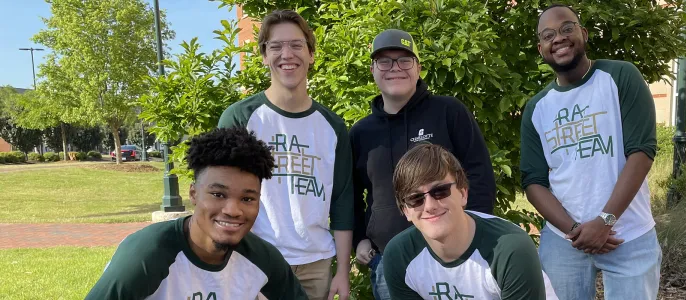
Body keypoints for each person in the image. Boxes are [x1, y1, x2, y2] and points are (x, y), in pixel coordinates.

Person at [519, 4, 663, 300]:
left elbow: (641, 153)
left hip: (628, 235)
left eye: (567, 28)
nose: (558, 38)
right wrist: (574, 230)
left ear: (583, 33)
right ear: (540, 48)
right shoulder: (537, 108)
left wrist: (605, 221)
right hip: (563, 243)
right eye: (548, 35)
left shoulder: (621, 76)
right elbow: (533, 182)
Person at [350, 29, 496, 299]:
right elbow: (351, 196)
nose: (395, 68)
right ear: (373, 70)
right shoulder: (361, 133)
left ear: (418, 68)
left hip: (455, 257)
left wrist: (473, 237)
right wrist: (359, 238)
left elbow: (479, 175)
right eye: (384, 61)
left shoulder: (449, 112)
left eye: (404, 60)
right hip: (389, 263)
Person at [217, 9, 352, 300]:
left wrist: (343, 271)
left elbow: (342, 202)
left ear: (311, 54)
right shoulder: (240, 118)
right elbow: (220, 197)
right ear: (264, 56)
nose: (286, 54)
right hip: (254, 260)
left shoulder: (333, 127)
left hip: (316, 264)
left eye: (296, 45)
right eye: (276, 46)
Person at [85, 127, 308, 299]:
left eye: (247, 199)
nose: (233, 211)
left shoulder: (262, 258)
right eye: (218, 194)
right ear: (193, 194)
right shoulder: (146, 256)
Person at [381, 144, 558, 299]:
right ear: (405, 210)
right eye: (415, 198)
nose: (429, 206)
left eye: (440, 191)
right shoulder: (400, 255)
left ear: (463, 193)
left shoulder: (510, 250)